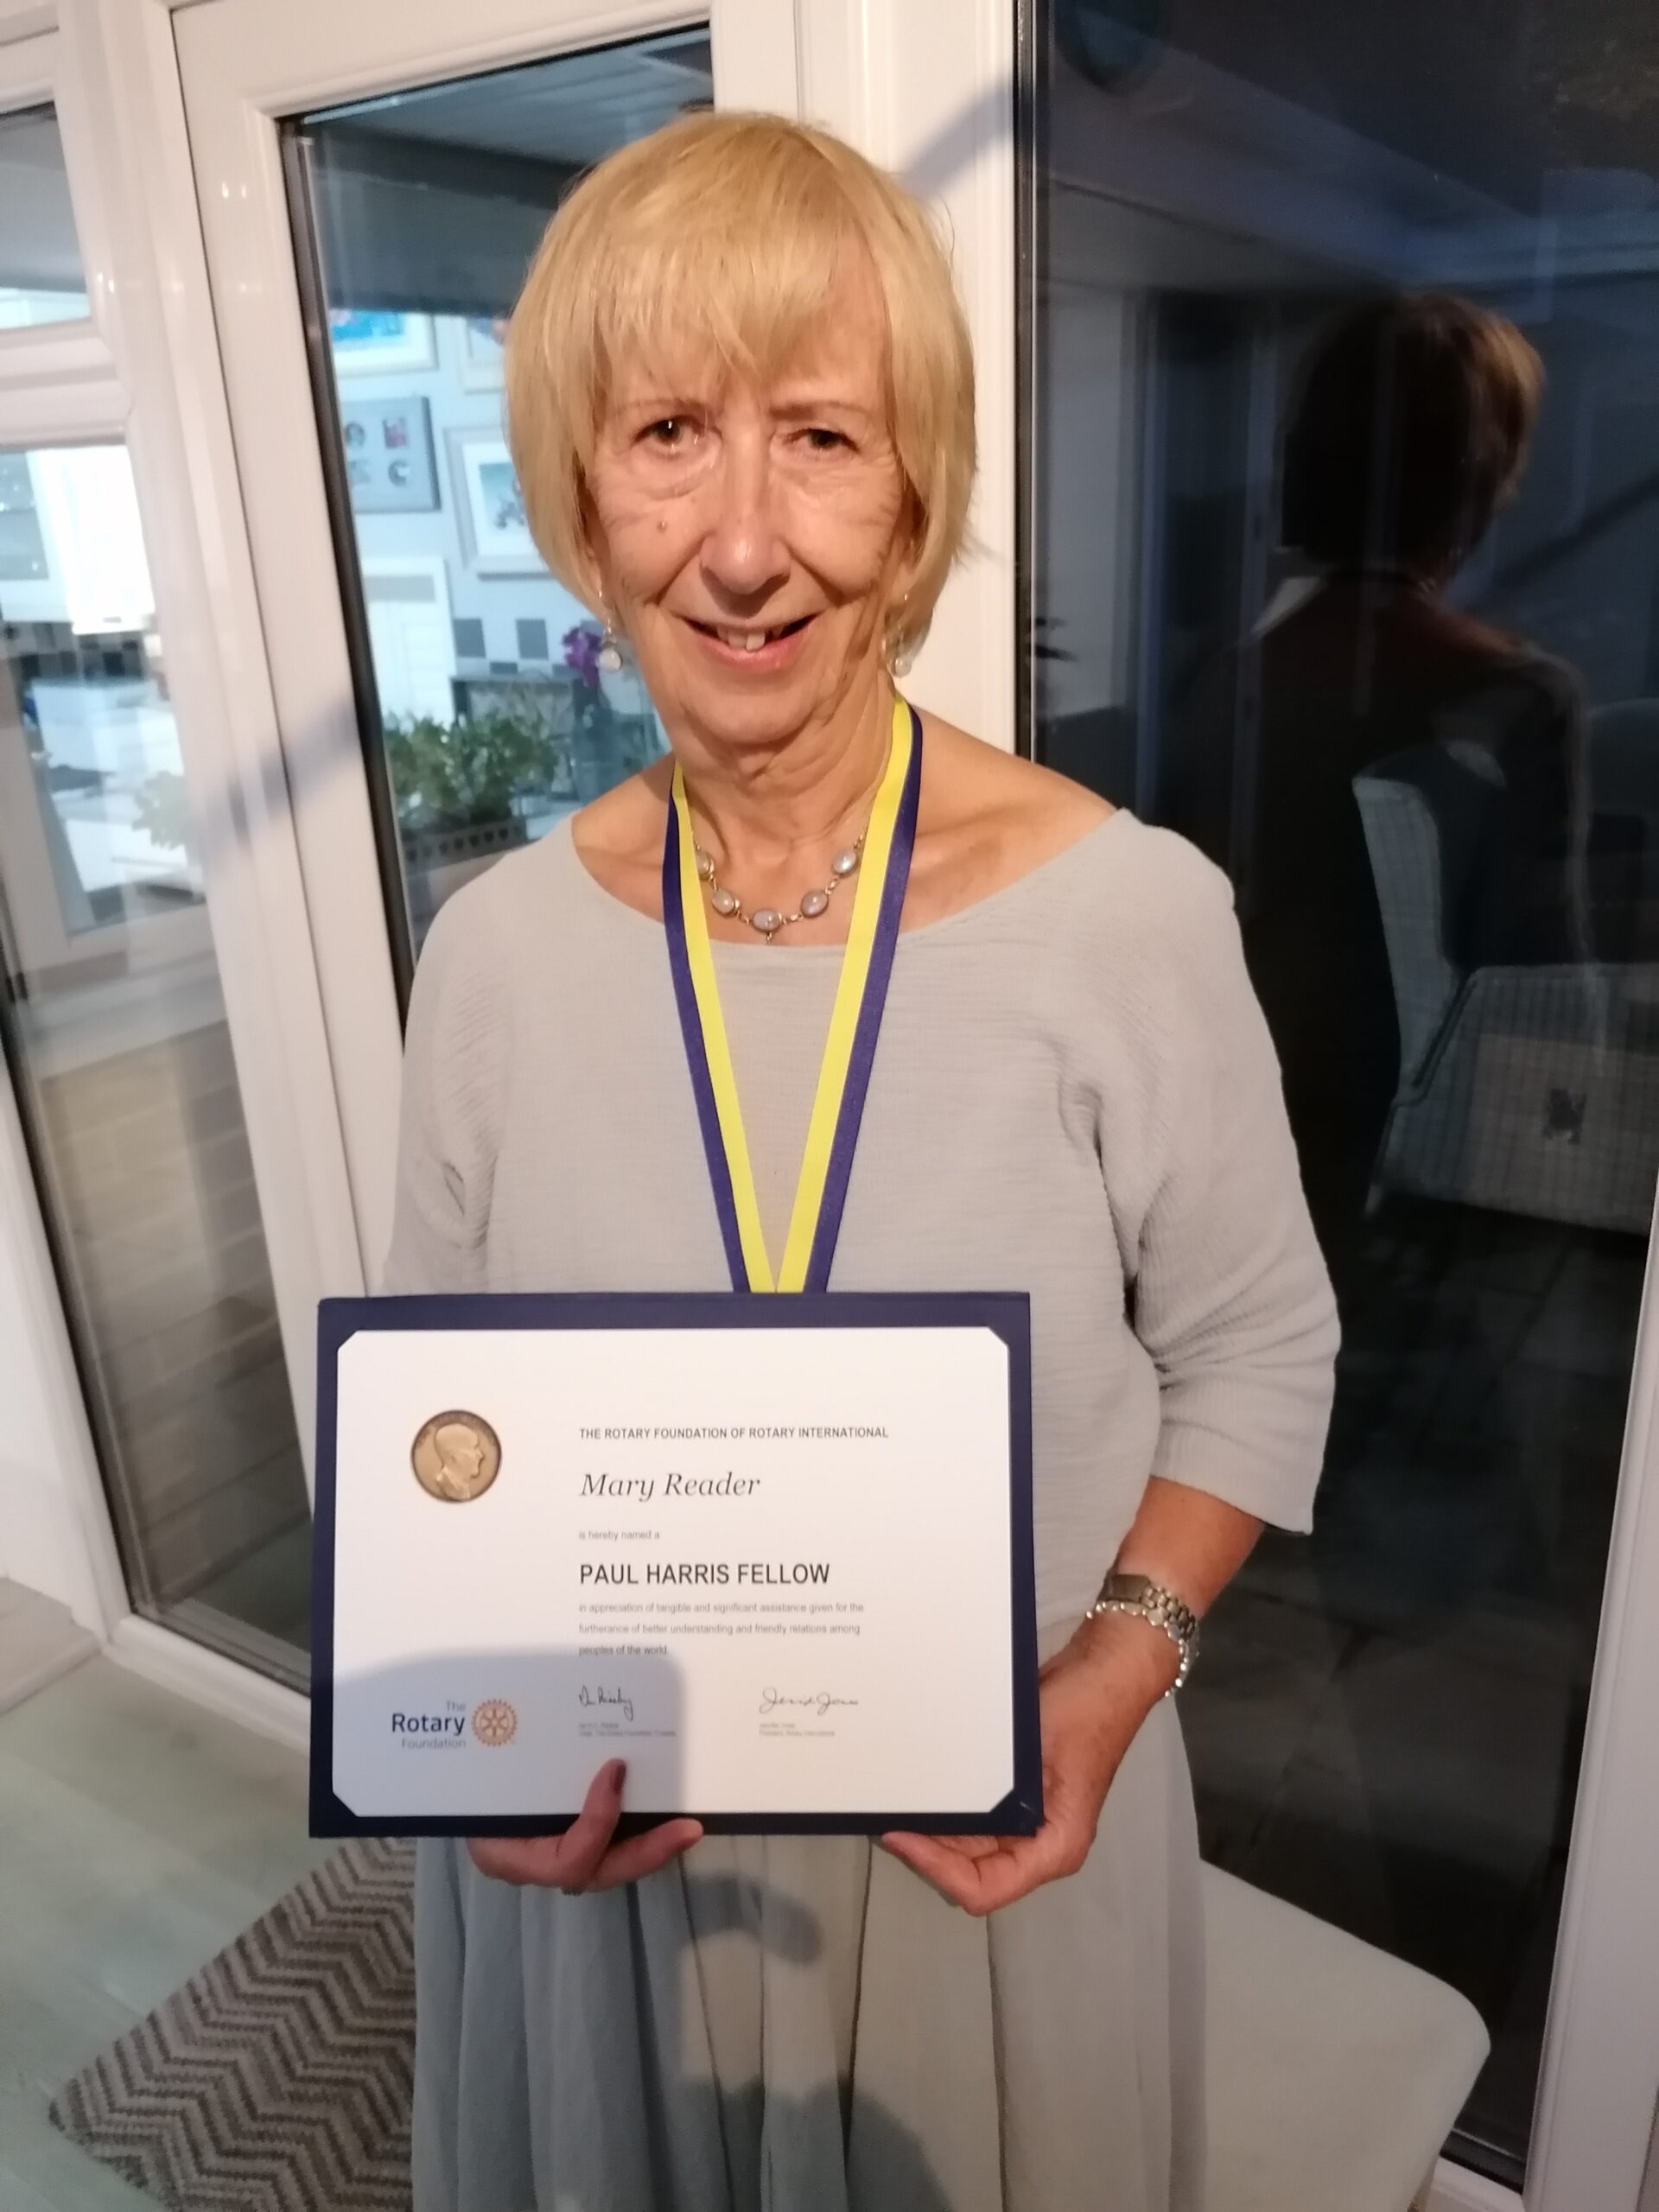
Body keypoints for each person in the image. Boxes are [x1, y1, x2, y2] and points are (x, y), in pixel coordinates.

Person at [385, 111, 1338, 2212]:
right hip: (617, 1858)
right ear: (574, 491)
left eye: (818, 434)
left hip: (990, 1840)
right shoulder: (495, 953)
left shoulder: (1127, 912)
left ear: (914, 488)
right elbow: (439, 1431)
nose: (742, 545)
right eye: (662, 432)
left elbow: (1262, 1350)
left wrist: (1121, 1667)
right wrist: (470, 1733)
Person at [1164, 293, 1586, 1295]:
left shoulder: (1229, 678)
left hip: (1229, 1139)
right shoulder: (1518, 697)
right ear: (1480, 479)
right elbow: (1545, 997)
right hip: (1415, 1167)